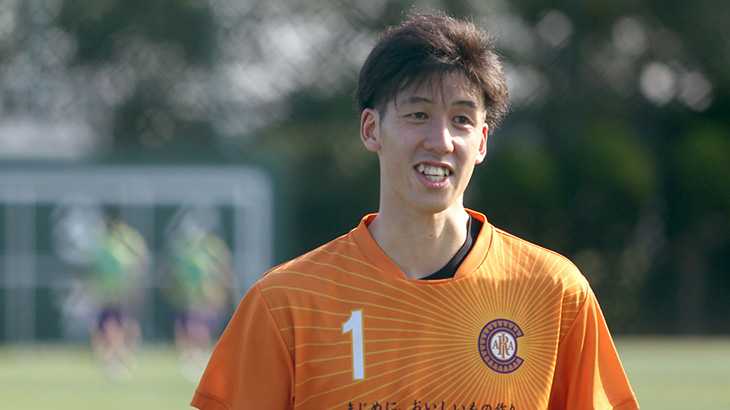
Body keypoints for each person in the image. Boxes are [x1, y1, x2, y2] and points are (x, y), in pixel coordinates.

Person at [191, 13, 639, 410]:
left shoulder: (555, 292)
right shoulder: (285, 302)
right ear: (371, 129)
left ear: (481, 142)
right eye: (418, 115)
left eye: (461, 119)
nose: (441, 141)